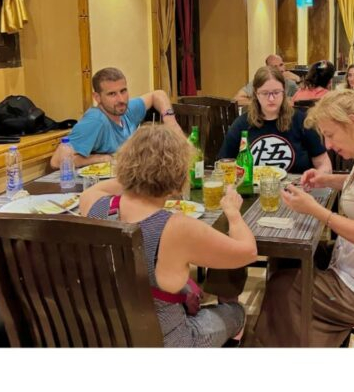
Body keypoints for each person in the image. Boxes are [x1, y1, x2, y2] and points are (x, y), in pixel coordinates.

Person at [252, 90, 354, 347]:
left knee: (282, 286)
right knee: (287, 258)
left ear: (352, 122)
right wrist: (327, 180)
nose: (328, 145)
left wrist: (316, 209)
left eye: (330, 135)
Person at [78, 123, 257, 347]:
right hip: (166, 342)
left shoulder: (92, 203)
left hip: (105, 335)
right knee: (235, 311)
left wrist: (136, 173)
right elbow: (248, 252)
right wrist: (233, 213)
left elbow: (105, 187)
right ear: (179, 180)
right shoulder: (177, 228)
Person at [50, 66, 179, 168]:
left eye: (123, 91)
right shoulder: (95, 121)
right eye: (112, 94)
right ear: (97, 97)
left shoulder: (125, 109)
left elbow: (158, 94)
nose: (121, 99)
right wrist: (102, 158)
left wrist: (171, 123)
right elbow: (57, 161)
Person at [219, 66, 332, 175]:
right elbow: (223, 165)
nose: (271, 98)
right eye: (265, 93)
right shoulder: (241, 124)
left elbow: (324, 164)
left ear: (284, 91)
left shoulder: (302, 121)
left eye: (276, 92)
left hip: (296, 186)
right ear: (256, 94)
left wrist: (316, 179)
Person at [233, 54, 299, 107]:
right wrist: (261, 102)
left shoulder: (291, 83)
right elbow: (236, 99)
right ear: (268, 69)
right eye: (275, 67)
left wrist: (298, 79)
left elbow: (303, 101)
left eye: (281, 65)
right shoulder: (261, 81)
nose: (280, 69)